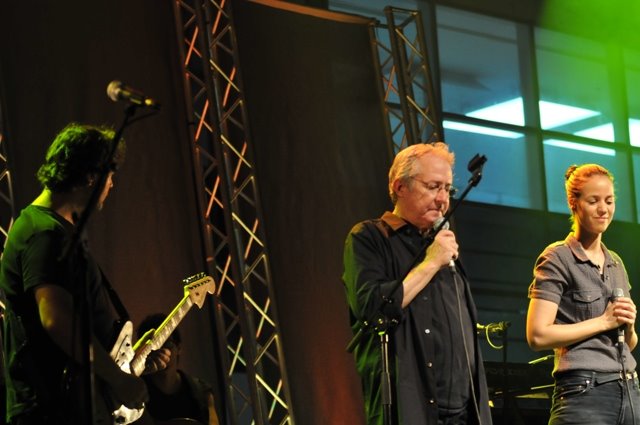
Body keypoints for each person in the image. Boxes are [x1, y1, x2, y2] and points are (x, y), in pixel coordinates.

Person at [0, 123, 168, 425]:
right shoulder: (44, 234)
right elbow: (57, 319)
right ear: (91, 176)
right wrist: (116, 378)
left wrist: (129, 363)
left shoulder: (52, 230)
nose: (112, 185)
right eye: (110, 175)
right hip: (52, 411)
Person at [343, 142, 492, 425]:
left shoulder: (440, 244)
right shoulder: (369, 237)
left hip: (463, 412)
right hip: (412, 409)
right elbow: (372, 308)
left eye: (447, 189)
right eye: (433, 186)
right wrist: (431, 262)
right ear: (400, 187)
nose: (442, 199)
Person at [527, 163, 640, 424]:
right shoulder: (558, 258)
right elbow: (537, 335)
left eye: (609, 201)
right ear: (573, 203)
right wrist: (604, 321)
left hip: (630, 391)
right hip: (584, 392)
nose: (603, 209)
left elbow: (629, 344)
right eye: (593, 201)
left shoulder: (616, 263)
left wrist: (629, 326)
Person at [134, 313, 220, 425]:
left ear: (179, 348)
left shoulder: (201, 391)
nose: (162, 351)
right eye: (155, 346)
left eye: (167, 344)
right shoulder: (135, 391)